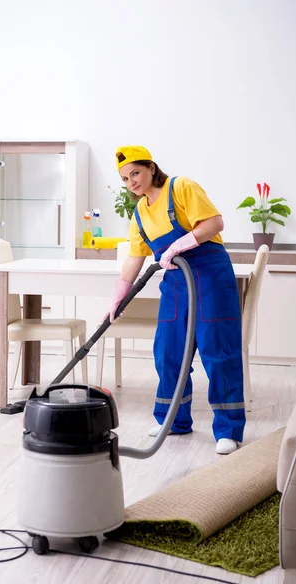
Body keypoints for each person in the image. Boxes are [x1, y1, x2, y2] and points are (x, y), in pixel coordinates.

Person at [106, 145, 245, 455]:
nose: (132, 182)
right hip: (176, 285)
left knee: (217, 351)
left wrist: (180, 244)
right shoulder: (140, 211)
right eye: (126, 178)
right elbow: (135, 257)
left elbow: (214, 224)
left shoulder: (180, 187)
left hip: (210, 277)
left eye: (136, 173)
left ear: (151, 168)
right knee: (167, 350)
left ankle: (229, 430)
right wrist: (119, 293)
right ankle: (174, 420)